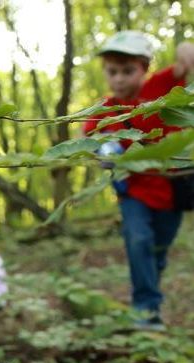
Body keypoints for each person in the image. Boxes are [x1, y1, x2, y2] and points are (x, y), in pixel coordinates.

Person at [83, 31, 194, 330]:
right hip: (133, 193)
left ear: (144, 68)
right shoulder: (105, 110)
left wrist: (185, 48)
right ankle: (146, 311)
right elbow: (89, 137)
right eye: (112, 71)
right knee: (139, 240)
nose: (119, 79)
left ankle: (148, 299)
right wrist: (104, 149)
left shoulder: (160, 88)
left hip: (172, 192)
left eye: (128, 70)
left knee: (157, 252)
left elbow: (186, 61)